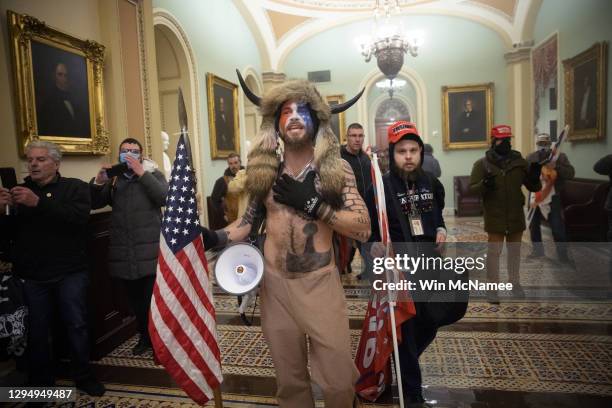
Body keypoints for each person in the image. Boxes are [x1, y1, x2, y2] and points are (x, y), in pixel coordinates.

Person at [202, 75, 369, 407]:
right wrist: (213, 236)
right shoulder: (265, 173)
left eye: (301, 110)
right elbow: (246, 224)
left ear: (316, 121)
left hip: (319, 285)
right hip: (275, 288)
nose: (293, 116)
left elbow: (363, 228)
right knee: (290, 382)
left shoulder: (336, 171)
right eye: (285, 111)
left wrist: (315, 205)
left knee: (338, 381)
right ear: (275, 124)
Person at [0, 141, 105, 395]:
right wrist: (3, 212)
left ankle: (83, 376)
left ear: (56, 163)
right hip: (33, 275)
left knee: (76, 325)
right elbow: (9, 236)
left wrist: (38, 203)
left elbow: (77, 220)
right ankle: (41, 384)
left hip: (70, 271)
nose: (33, 164)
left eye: (40, 159)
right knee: (37, 331)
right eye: (30, 159)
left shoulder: (75, 188)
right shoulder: (20, 191)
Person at [364, 121, 452, 408]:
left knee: (433, 320)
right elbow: (369, 227)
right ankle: (412, 392)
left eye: (413, 150)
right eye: (402, 150)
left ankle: (403, 358)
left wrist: (441, 229)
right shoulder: (381, 186)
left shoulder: (431, 183)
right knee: (407, 329)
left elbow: (437, 214)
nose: (409, 156)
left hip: (430, 263)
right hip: (398, 268)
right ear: (392, 153)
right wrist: (373, 244)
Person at [90, 138, 168, 356]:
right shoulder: (114, 180)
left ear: (141, 155)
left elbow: (164, 197)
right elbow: (95, 203)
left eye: (134, 151)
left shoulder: (153, 175)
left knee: (153, 300)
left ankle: (160, 342)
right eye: (125, 151)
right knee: (135, 303)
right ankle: (144, 337)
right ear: (119, 155)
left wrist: (142, 173)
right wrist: (98, 181)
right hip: (123, 253)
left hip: (150, 252)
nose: (130, 154)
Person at [470, 125, 542, 303]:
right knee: (494, 253)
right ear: (494, 141)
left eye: (508, 139)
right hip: (495, 216)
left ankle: (515, 284)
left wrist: (534, 176)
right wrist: (485, 185)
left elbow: (535, 187)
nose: (506, 143)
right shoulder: (482, 164)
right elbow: (472, 190)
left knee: (514, 253)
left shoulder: (520, 163)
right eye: (502, 140)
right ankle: (492, 289)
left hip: (515, 215)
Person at [526, 133, 575, 263]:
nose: (543, 147)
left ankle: (562, 255)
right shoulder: (531, 157)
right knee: (533, 225)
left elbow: (571, 173)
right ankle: (537, 251)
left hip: (553, 196)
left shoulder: (559, 157)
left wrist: (556, 168)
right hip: (535, 195)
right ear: (536, 144)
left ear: (550, 144)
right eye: (540, 144)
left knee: (557, 226)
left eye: (545, 144)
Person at [340, 123, 372, 275]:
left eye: (360, 136)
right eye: (353, 135)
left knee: (363, 240)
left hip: (364, 208)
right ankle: (343, 266)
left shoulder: (366, 159)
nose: (357, 139)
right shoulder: (337, 157)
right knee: (346, 243)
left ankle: (367, 269)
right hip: (344, 208)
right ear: (347, 137)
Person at [38, 62, 90, 137]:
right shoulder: (49, 102)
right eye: (60, 74)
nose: (63, 78)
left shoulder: (74, 99)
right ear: (54, 76)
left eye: (65, 75)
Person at [210, 153, 243, 227]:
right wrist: (223, 215)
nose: (233, 166)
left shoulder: (248, 177)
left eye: (235, 163)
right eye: (230, 163)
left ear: (240, 163)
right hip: (233, 220)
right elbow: (214, 200)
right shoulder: (222, 181)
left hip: (248, 218)